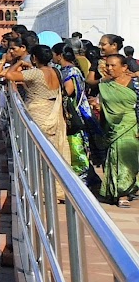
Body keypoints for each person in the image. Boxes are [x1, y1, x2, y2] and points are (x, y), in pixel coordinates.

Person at [4, 43, 71, 163]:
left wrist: (19, 63)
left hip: (38, 114)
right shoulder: (56, 71)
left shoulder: (36, 73)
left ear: (34, 58)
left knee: (38, 148)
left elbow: (9, 75)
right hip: (54, 112)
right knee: (53, 148)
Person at [97, 52, 139, 206]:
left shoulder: (135, 84)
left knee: (129, 159)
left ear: (124, 67)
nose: (109, 68)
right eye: (107, 65)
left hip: (131, 126)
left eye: (113, 65)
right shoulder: (105, 85)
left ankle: (126, 189)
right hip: (112, 128)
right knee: (116, 159)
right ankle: (121, 193)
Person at [56, 42, 95, 176]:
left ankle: (83, 175)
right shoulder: (64, 70)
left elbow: (68, 91)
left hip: (75, 113)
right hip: (69, 112)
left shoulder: (71, 71)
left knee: (76, 145)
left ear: (59, 56)